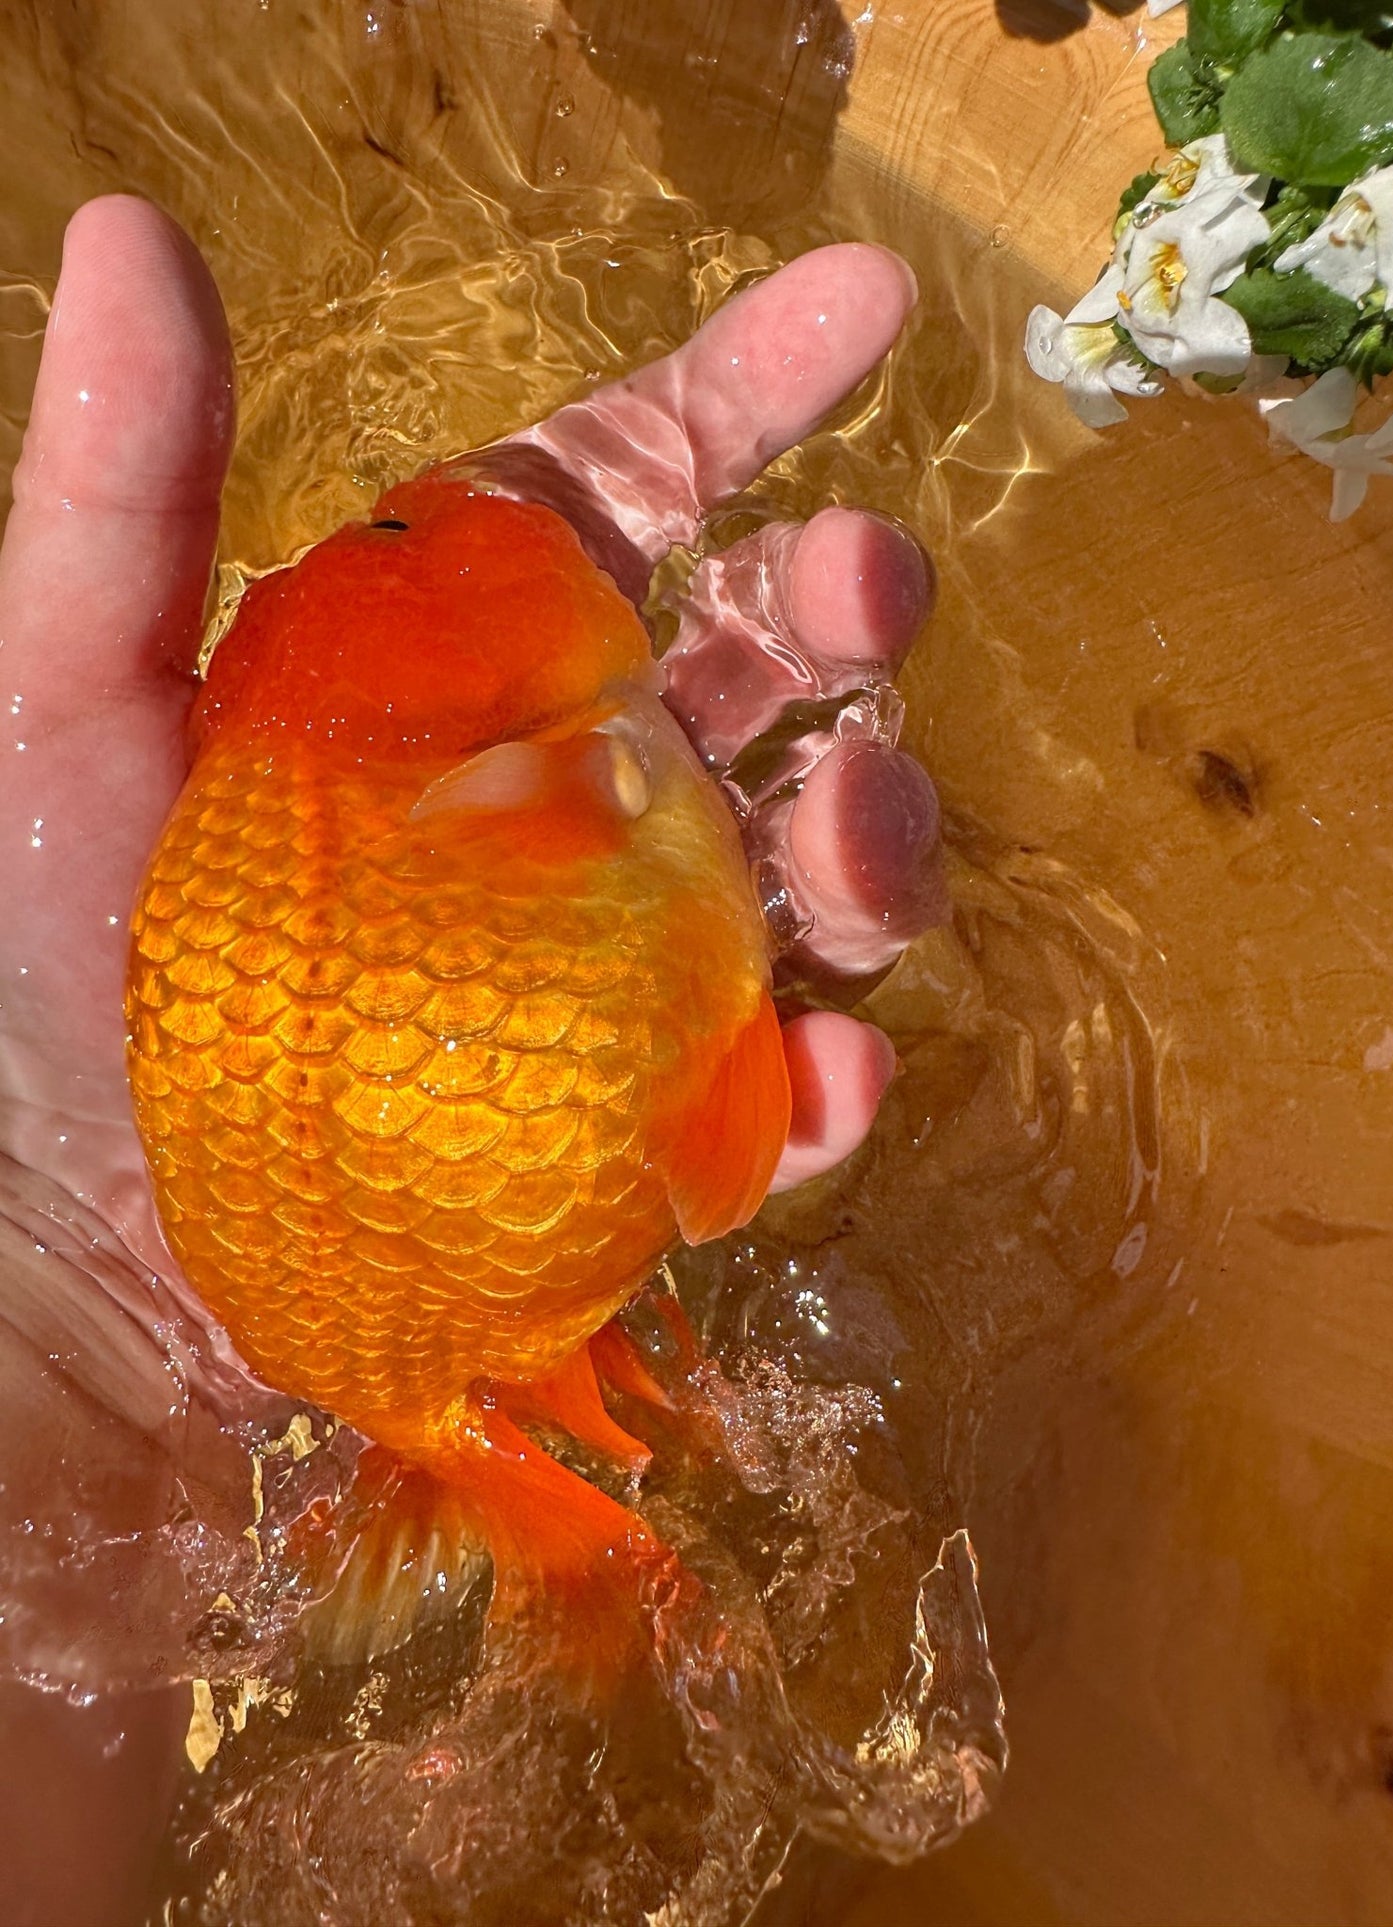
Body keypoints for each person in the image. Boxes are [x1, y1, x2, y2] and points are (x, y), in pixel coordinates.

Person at [0, 196, 942, 1924]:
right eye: (389, 525)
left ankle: (508, 1497)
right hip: (327, 1296)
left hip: (287, 1307)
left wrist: (50, 1321)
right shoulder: (553, 735)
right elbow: (712, 1124)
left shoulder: (374, 740)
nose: (397, 527)